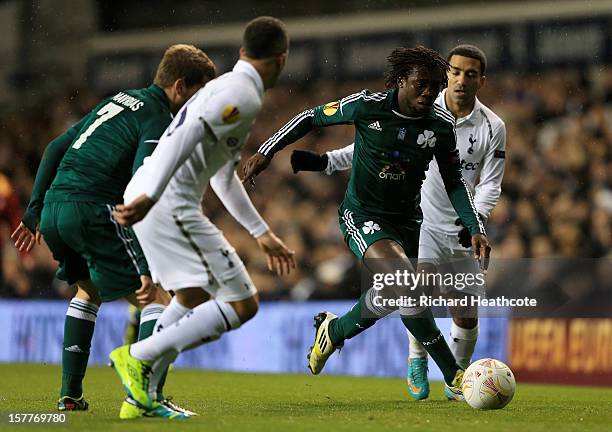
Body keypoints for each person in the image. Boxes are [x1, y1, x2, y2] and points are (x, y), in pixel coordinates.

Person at [243, 46, 491, 399]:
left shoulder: (439, 126)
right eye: (422, 84)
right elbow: (311, 117)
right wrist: (267, 150)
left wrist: (475, 227)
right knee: (406, 284)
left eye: (436, 87)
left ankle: (334, 330)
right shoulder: (368, 105)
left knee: (393, 293)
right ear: (402, 80)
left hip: (407, 222)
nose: (429, 93)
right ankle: (454, 375)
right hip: (363, 216)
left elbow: (454, 181)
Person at [10, 44, 216, 417]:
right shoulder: (157, 117)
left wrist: (35, 209)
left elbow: (57, 147)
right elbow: (140, 187)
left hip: (57, 207)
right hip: (93, 209)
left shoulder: (120, 100)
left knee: (87, 292)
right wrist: (142, 261)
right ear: (181, 86)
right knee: (155, 297)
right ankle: (145, 398)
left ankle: (69, 395)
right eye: (201, 92)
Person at [108, 16, 295, 418]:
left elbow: (223, 175)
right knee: (243, 303)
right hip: (166, 200)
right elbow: (189, 133)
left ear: (243, 51)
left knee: (192, 296)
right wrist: (152, 195)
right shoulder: (241, 95)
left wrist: (261, 232)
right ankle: (138, 355)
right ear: (281, 60)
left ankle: (142, 397)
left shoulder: (228, 86)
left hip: (158, 195)